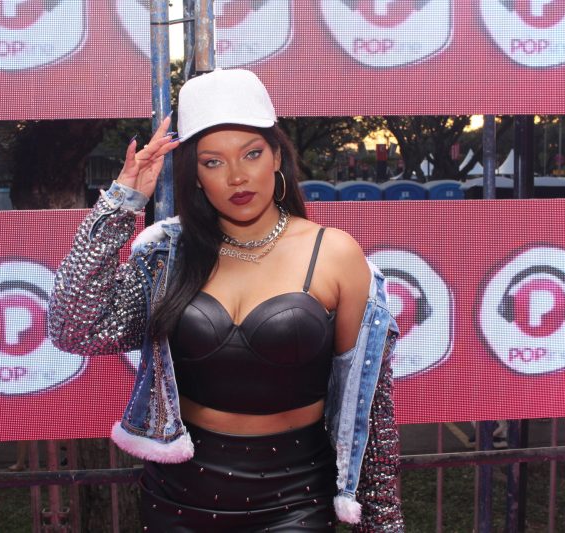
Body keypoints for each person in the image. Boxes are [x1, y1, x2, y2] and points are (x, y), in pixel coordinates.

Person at [48, 69, 403, 531]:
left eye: (251, 154)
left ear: (277, 156)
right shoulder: (168, 255)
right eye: (213, 162)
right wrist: (123, 201)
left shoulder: (334, 253)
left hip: (296, 498)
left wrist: (382, 522)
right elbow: (74, 328)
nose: (237, 177)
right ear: (194, 175)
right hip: (177, 498)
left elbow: (371, 407)